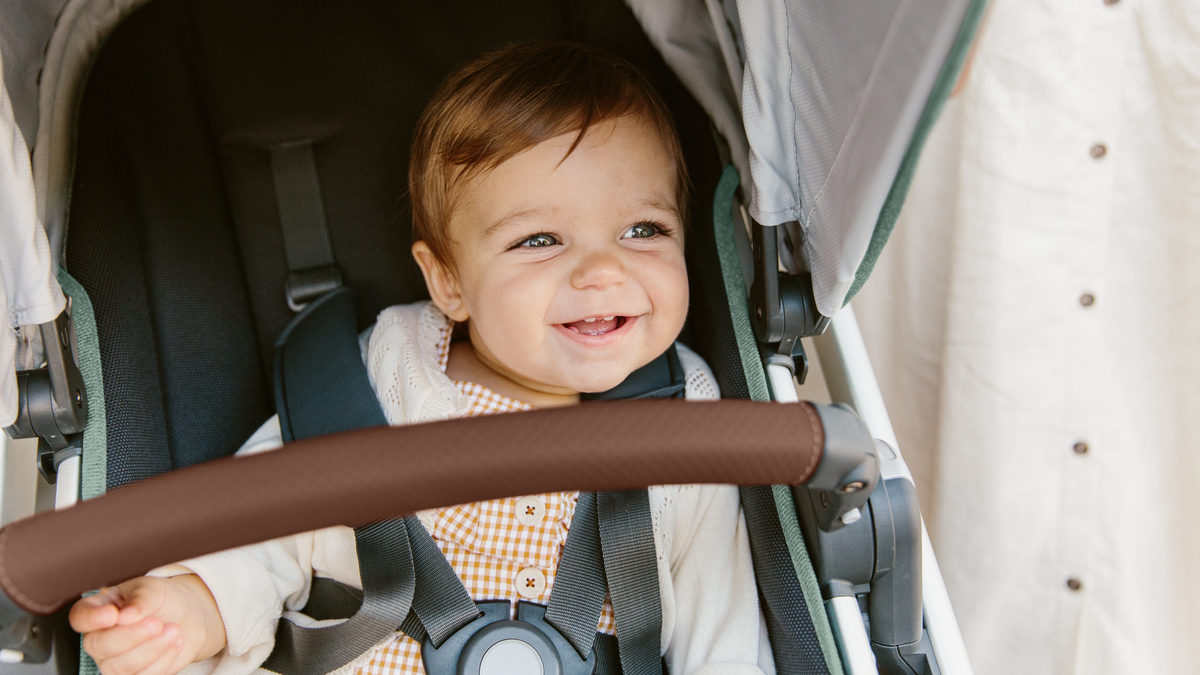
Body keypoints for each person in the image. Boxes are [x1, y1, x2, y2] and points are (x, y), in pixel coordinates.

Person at [68, 41, 770, 675]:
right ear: (449, 282)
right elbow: (261, 522)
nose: (601, 270)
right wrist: (196, 601)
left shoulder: (684, 411)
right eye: (540, 240)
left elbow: (723, 620)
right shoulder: (382, 378)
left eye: (642, 229)